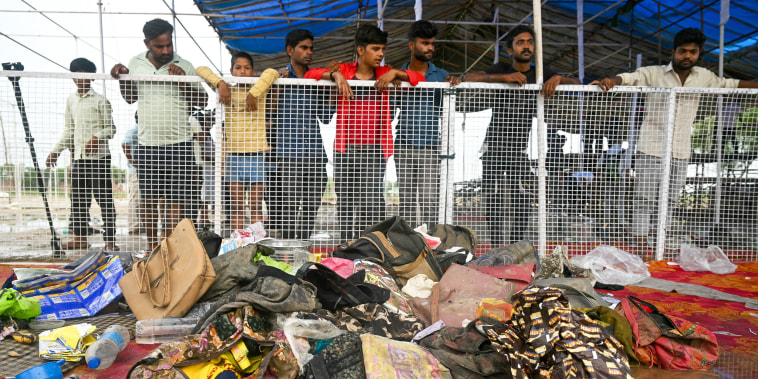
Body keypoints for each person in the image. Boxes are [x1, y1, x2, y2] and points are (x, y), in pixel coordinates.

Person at [591, 27, 758, 247]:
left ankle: (660, 244)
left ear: (698, 54)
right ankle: (641, 247)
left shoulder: (705, 77)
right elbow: (630, 78)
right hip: (650, 147)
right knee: (644, 199)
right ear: (674, 52)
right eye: (683, 51)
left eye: (693, 52)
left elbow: (731, 85)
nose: (687, 56)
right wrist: (613, 80)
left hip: (680, 150)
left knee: (669, 201)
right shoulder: (654, 73)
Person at [306, 24, 425, 241]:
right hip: (345, 148)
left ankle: (369, 248)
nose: (380, 54)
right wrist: (335, 75)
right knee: (345, 203)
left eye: (382, 49)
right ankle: (347, 247)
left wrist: (396, 72)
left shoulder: (384, 73)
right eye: (376, 49)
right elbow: (309, 75)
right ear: (361, 50)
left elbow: (420, 78)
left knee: (370, 203)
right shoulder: (344, 70)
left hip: (374, 150)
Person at [463, 25, 580, 246]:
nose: (526, 46)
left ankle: (517, 247)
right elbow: (470, 77)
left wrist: (558, 79)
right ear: (510, 50)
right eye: (520, 43)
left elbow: (578, 83)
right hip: (494, 147)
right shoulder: (501, 68)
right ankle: (497, 247)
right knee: (494, 199)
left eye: (529, 42)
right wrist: (503, 78)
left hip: (520, 150)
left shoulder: (539, 73)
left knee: (523, 199)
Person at [110, 18, 207, 248]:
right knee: (150, 199)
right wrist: (122, 77)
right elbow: (130, 97)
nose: (166, 51)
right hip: (148, 144)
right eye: (159, 46)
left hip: (180, 143)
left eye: (169, 45)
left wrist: (183, 80)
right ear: (147, 43)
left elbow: (202, 100)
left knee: (175, 201)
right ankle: (153, 247)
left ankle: (170, 247)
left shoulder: (185, 64)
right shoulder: (135, 63)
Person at [197, 52, 280, 231]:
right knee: (237, 207)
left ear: (253, 72)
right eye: (238, 68)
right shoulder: (227, 91)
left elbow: (273, 72)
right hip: (234, 157)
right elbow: (200, 69)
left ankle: (256, 243)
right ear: (231, 71)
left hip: (256, 156)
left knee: (256, 205)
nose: (242, 71)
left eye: (247, 68)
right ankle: (238, 242)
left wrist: (254, 93)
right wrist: (220, 83)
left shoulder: (261, 92)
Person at [46, 58, 118, 251]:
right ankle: (80, 238)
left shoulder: (101, 100)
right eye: (76, 74)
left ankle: (110, 241)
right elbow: (69, 130)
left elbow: (111, 129)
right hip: (79, 159)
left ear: (92, 77)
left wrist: (96, 137)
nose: (80, 78)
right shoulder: (71, 100)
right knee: (78, 200)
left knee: (104, 200)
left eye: (84, 74)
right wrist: (56, 151)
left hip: (100, 159)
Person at [395, 20, 459, 228]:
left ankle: (431, 248)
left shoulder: (440, 75)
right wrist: (394, 87)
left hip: (431, 146)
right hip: (403, 145)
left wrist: (453, 86)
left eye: (432, 43)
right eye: (425, 43)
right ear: (412, 45)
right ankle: (409, 247)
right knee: (406, 203)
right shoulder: (399, 75)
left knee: (429, 201)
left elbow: (446, 110)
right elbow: (389, 108)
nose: (430, 47)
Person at [269, 29, 332, 239]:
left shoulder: (316, 79)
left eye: (311, 48)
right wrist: (277, 86)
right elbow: (268, 111)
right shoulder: (278, 77)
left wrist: (329, 90)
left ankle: (303, 251)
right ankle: (287, 252)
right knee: (289, 206)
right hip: (289, 154)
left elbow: (326, 117)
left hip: (315, 153)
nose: (309, 52)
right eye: (304, 47)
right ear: (290, 50)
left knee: (311, 207)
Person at [121, 113, 141, 235]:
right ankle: (134, 226)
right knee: (135, 198)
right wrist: (132, 160)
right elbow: (125, 144)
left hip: (140, 170)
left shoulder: (141, 131)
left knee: (140, 198)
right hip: (135, 171)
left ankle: (138, 224)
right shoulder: (134, 130)